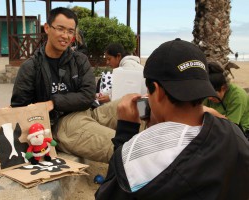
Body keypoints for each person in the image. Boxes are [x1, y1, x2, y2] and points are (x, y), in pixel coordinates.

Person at [95, 38, 249, 199]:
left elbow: (107, 193)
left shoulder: (136, 155)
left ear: (157, 91)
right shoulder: (234, 135)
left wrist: (125, 131)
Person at [11, 7, 119, 163]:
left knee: (130, 103)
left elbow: (88, 96)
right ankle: (137, 158)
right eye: (60, 29)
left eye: (70, 31)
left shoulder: (79, 60)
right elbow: (19, 107)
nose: (65, 36)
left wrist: (53, 102)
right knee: (114, 143)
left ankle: (153, 143)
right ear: (47, 28)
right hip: (59, 126)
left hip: (87, 113)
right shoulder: (31, 67)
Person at [204, 61, 249, 138]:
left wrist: (212, 112)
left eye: (213, 95)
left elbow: (232, 126)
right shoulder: (209, 92)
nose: (209, 98)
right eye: (207, 94)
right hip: (217, 125)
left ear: (223, 88)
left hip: (241, 131)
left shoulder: (237, 96)